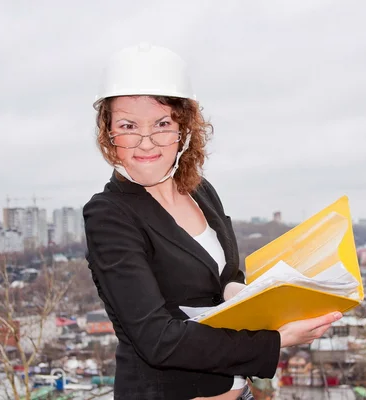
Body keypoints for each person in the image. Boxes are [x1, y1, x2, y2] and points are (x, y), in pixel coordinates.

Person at [83, 43, 343, 400]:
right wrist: (276, 341)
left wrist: (249, 294)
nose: (146, 141)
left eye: (162, 124)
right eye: (129, 125)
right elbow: (158, 341)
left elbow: (224, 276)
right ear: (109, 133)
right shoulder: (108, 215)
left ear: (183, 128)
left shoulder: (201, 191)